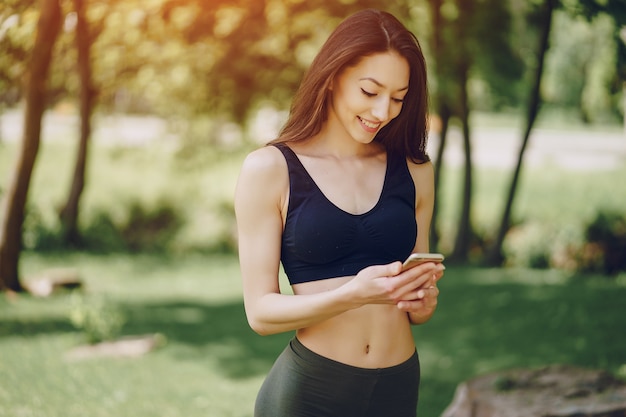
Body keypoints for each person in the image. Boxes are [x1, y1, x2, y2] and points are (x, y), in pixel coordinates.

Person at [234, 8, 445, 417]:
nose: (383, 112)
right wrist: (352, 295)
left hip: (397, 386)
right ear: (332, 78)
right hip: (312, 390)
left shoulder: (416, 170)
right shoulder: (270, 169)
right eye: (370, 92)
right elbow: (260, 313)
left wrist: (422, 304)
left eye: (398, 98)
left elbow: (414, 290)